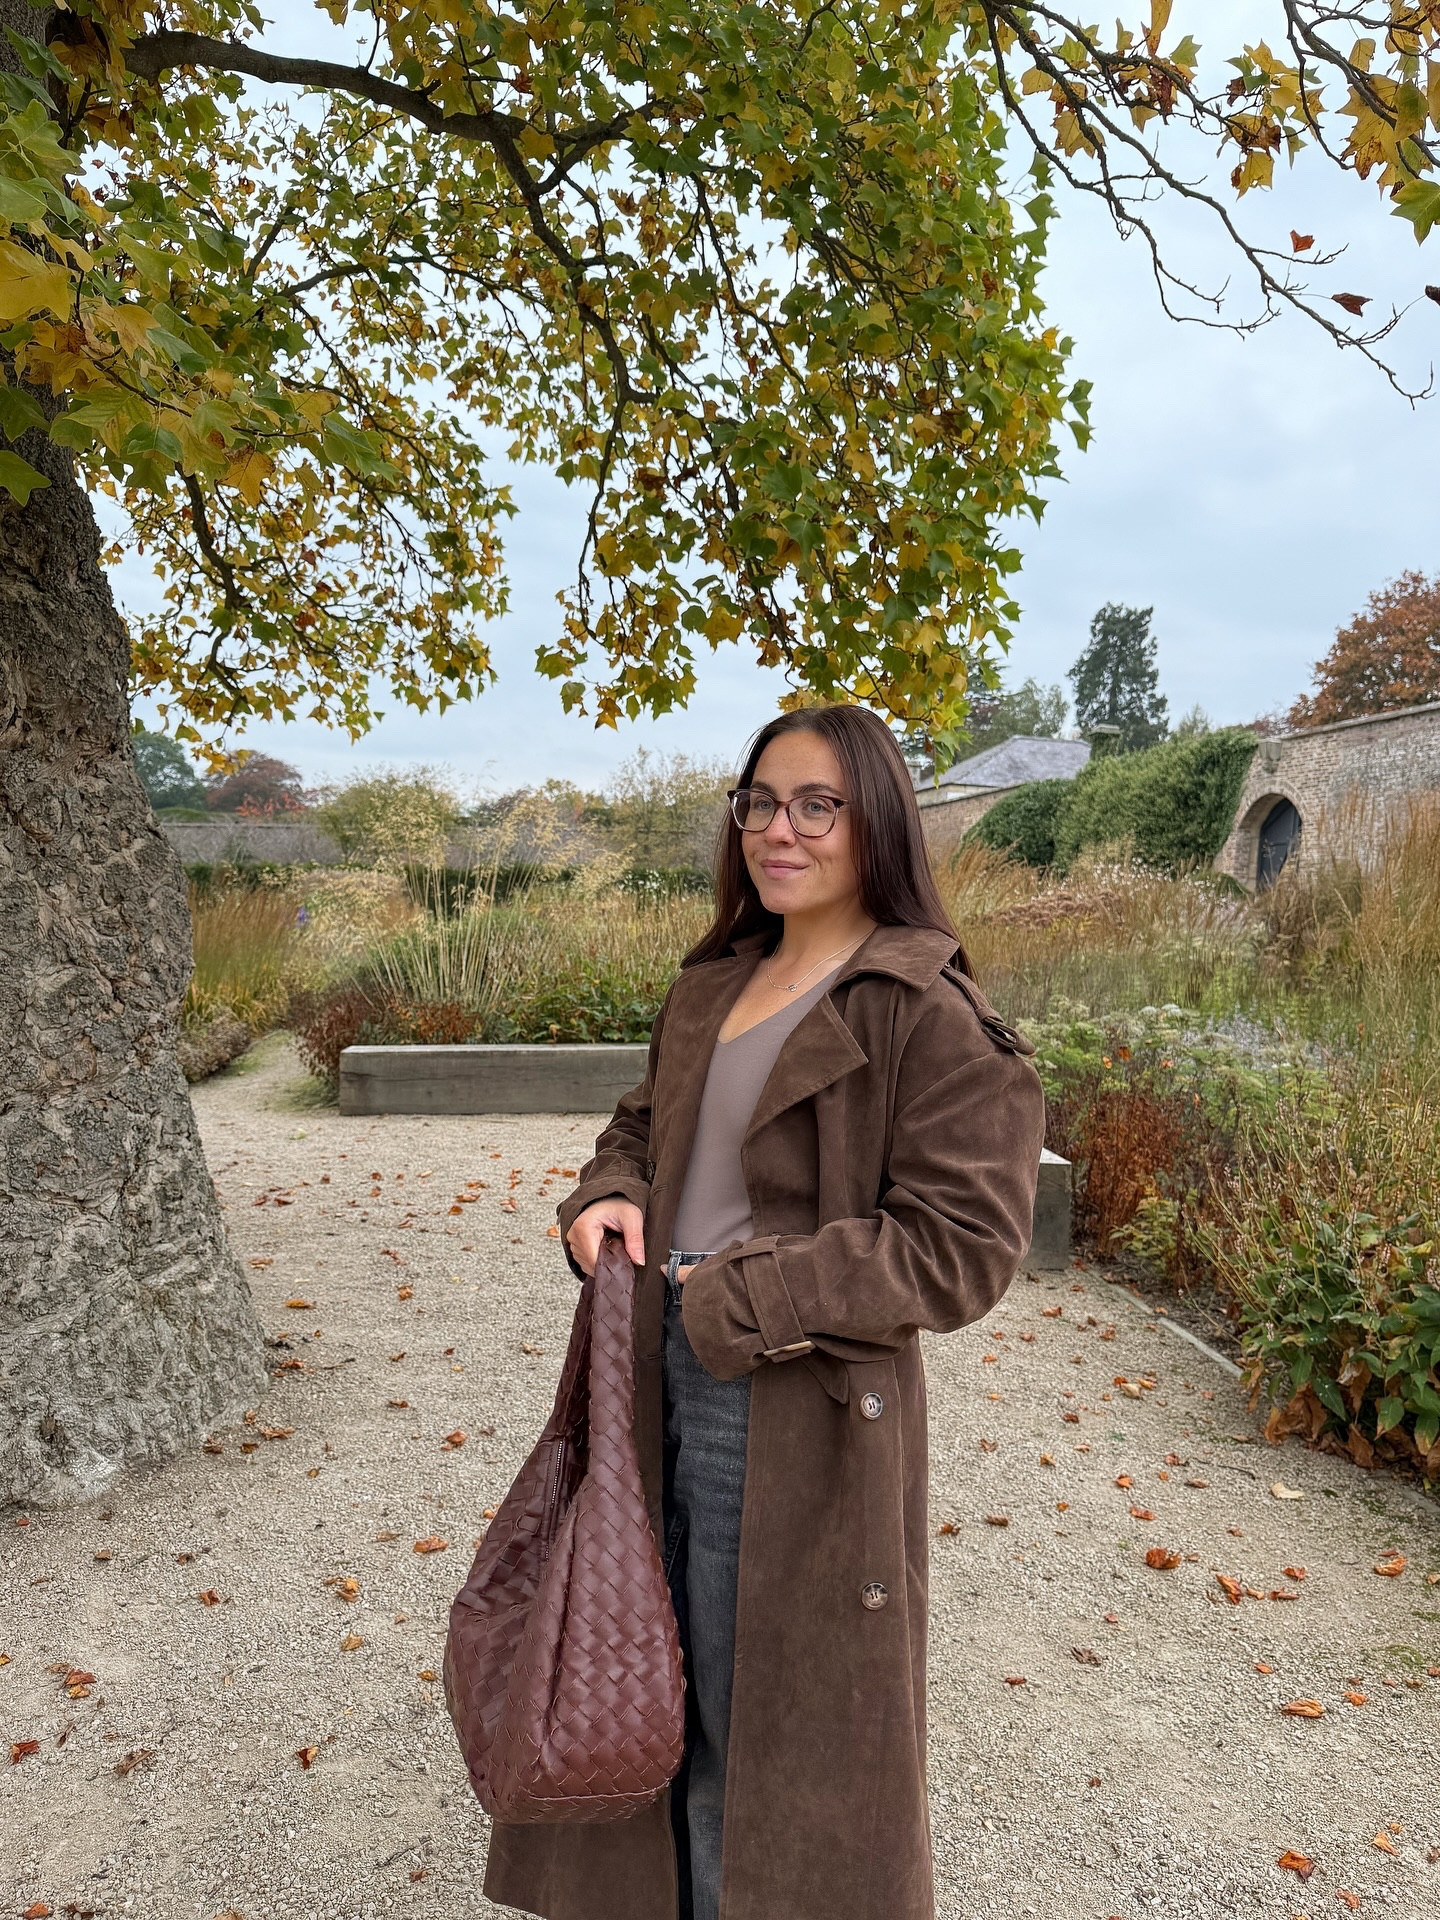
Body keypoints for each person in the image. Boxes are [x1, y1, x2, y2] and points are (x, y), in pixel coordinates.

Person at [483, 705, 1045, 1920]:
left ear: (876, 822)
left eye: (816, 806)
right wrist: (607, 1192)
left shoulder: (925, 1012)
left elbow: (962, 1248)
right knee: (634, 1686)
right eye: (759, 802)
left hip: (792, 1405)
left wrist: (742, 1294)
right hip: (648, 1375)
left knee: (758, 1736)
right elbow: (640, 1127)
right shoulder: (716, 984)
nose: (778, 830)